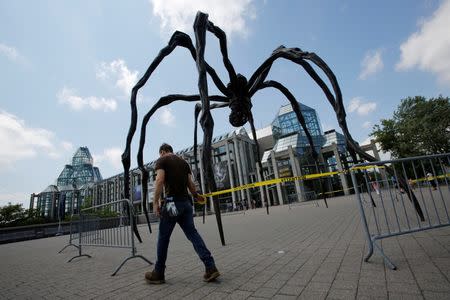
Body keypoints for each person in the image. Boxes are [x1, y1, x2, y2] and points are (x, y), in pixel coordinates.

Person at [145, 143, 220, 284]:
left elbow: (160, 180)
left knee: (163, 237)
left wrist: (155, 202)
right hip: (186, 204)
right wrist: (197, 196)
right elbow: (191, 185)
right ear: (171, 151)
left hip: (172, 204)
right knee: (193, 234)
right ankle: (210, 267)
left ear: (162, 152)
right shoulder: (184, 162)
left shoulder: (162, 160)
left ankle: (158, 273)